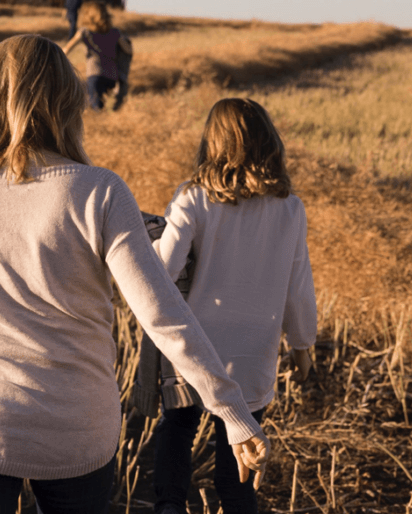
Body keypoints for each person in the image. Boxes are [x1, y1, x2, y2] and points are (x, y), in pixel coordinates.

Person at [0, 35, 270, 514]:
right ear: (68, 102)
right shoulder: (100, 193)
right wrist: (232, 411)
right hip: (76, 433)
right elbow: (163, 316)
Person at [147, 98, 317, 514]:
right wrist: (302, 345)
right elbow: (298, 285)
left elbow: (162, 269)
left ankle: (168, 506)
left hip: (197, 345)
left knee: (178, 426)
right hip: (254, 349)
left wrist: (144, 238)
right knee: (238, 457)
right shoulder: (290, 208)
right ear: (269, 143)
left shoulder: (194, 198)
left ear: (213, 143)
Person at [63, 1, 133, 111]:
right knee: (109, 110)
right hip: (112, 77)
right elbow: (128, 51)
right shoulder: (115, 32)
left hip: (94, 74)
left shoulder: (85, 32)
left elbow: (66, 49)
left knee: (95, 110)